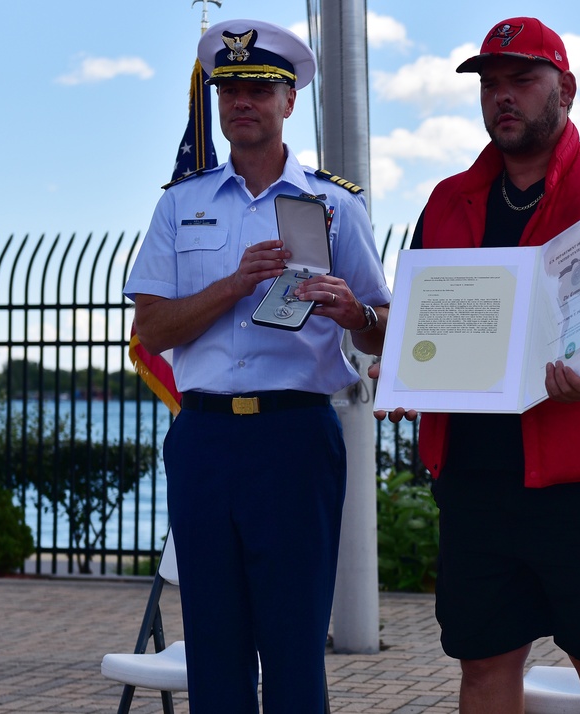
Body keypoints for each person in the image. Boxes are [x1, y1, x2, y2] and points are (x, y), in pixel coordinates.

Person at [371, 17, 580, 714]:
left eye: (522, 79)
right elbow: (428, 319)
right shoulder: (448, 198)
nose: (502, 97)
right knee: (484, 669)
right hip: (476, 478)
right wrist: (403, 371)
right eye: (490, 84)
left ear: (566, 88)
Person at [124, 19, 391, 713]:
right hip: (206, 438)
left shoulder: (335, 204)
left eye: (259, 88)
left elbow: (388, 335)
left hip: (294, 436)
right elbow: (150, 326)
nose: (242, 100)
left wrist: (354, 316)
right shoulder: (180, 204)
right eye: (230, 87)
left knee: (295, 640)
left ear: (288, 103)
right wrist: (233, 285)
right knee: (214, 643)